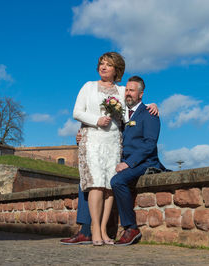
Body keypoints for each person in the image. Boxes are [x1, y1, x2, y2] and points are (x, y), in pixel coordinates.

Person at [60, 52, 158, 246]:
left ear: (117, 70)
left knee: (108, 186)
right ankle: (94, 229)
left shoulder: (121, 91)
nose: (103, 67)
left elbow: (135, 103)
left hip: (113, 141)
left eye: (109, 65)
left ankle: (104, 230)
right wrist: (96, 121)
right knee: (95, 183)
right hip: (94, 139)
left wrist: (152, 105)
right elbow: (77, 112)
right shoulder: (88, 87)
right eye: (101, 64)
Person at [112, 76, 164, 245]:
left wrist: (128, 163)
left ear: (140, 94)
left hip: (145, 162)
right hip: (127, 162)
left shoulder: (149, 113)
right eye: (126, 90)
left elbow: (150, 144)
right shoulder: (122, 114)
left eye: (132, 90)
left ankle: (131, 228)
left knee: (117, 181)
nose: (128, 93)